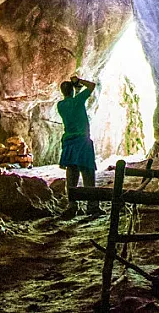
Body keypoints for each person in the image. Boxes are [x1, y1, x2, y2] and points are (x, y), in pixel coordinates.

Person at [57, 74, 101, 218]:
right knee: (88, 173)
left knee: (72, 175)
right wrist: (79, 81)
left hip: (69, 143)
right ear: (72, 90)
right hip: (82, 142)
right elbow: (92, 86)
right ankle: (92, 206)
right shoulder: (78, 101)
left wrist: (74, 88)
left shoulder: (61, 106)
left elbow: (73, 100)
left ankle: (72, 205)